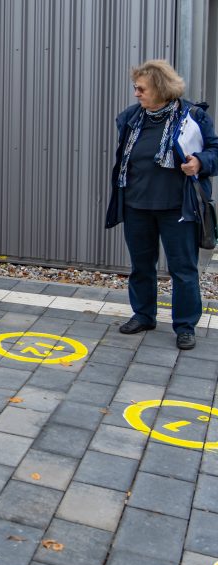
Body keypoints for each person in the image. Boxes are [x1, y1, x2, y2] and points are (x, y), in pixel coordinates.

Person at [106, 59, 218, 350]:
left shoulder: (193, 116)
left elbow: (214, 150)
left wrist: (200, 162)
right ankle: (143, 315)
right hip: (136, 205)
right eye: (135, 88)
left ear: (160, 88)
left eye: (141, 88)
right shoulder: (132, 118)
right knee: (142, 265)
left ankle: (185, 325)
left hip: (177, 208)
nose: (136, 94)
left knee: (183, 269)